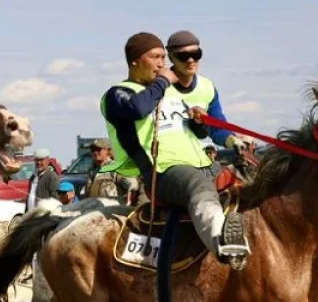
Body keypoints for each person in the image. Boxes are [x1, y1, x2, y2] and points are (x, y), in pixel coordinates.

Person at [99, 31, 249, 268]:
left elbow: (197, 134)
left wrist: (201, 124)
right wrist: (163, 82)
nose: (162, 64)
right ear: (135, 61)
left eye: (162, 58)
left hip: (203, 164)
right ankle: (224, 245)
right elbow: (138, 109)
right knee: (197, 186)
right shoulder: (118, 93)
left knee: (249, 184)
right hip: (162, 171)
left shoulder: (167, 91)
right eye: (155, 57)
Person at [165, 30, 253, 154]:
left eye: (196, 54)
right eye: (183, 56)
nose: (191, 60)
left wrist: (233, 140)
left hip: (199, 157)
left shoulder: (208, 87)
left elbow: (217, 128)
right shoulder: (159, 86)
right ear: (171, 58)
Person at [85, 137, 133, 202]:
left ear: (107, 151)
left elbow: (131, 186)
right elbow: (87, 193)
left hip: (111, 209)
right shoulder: (92, 171)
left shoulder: (115, 167)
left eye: (98, 149)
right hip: (93, 208)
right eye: (93, 150)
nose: (95, 152)